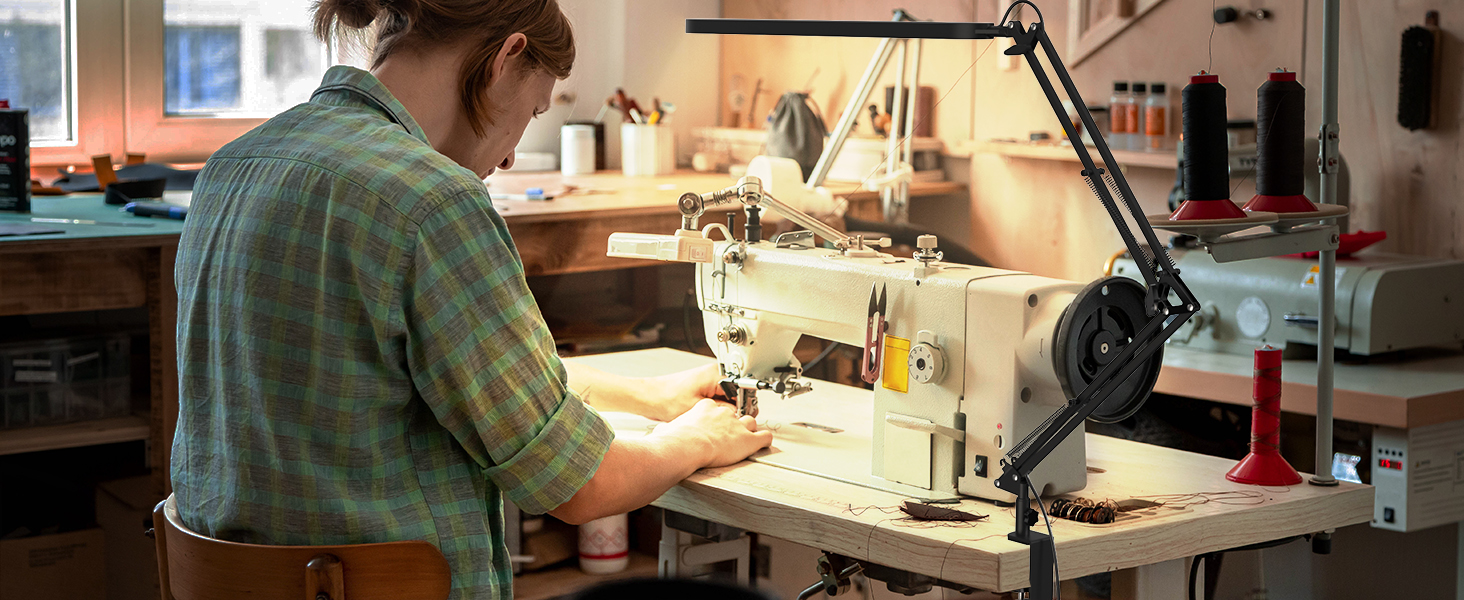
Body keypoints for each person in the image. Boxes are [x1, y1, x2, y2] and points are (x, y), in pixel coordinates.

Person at [169, 1, 772, 598]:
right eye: (533, 111)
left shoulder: (232, 168)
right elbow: (580, 487)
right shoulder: (431, 200)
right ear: (508, 56)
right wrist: (698, 438)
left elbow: (406, 381)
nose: (510, 155)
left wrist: (647, 396)